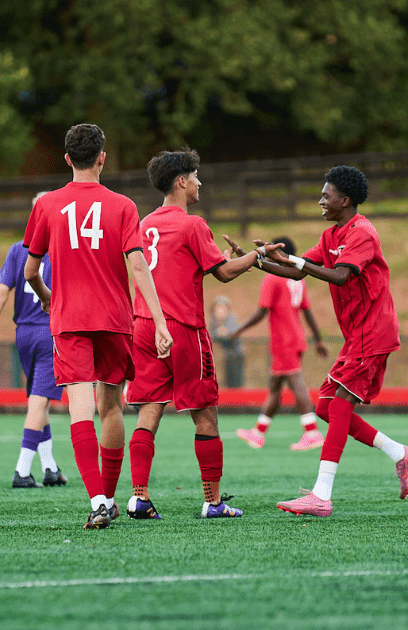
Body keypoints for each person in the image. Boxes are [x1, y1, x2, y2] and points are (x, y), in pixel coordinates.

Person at [243, 166, 408, 518]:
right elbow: (297, 271)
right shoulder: (331, 236)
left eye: (326, 196)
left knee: (339, 405)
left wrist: (294, 260)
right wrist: (259, 260)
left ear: (345, 200)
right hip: (357, 335)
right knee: (326, 408)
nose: (321, 201)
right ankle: (402, 453)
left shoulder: (363, 233)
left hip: (374, 332)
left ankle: (321, 495)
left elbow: (340, 276)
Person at [22, 123, 173, 530]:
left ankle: (98, 502)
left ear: (67, 159)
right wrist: (159, 321)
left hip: (70, 319)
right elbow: (137, 264)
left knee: (80, 409)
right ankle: (109, 495)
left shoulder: (47, 205)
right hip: (114, 319)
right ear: (102, 158)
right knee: (111, 407)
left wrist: (46, 295)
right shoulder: (123, 205)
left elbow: (31, 269)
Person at [125, 147, 276, 520]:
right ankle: (213, 502)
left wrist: (233, 260)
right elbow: (222, 272)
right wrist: (258, 256)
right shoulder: (192, 224)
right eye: (195, 177)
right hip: (183, 328)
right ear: (181, 181)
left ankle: (139, 498)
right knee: (205, 413)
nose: (199, 183)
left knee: (149, 410)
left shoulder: (144, 223)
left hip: (144, 325)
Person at [0, 231, 68, 489]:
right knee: (39, 401)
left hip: (24, 334)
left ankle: (50, 467)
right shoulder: (62, 249)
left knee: (40, 399)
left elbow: (1, 292)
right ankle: (22, 469)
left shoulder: (18, 248)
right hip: (49, 332)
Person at [232, 237, 329, 451]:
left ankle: (312, 432)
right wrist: (318, 340)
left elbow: (261, 311)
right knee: (275, 388)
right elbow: (307, 311)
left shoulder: (273, 278)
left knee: (296, 382)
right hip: (296, 338)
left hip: (284, 340)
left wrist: (238, 330)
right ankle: (258, 433)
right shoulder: (298, 278)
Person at [207, 296, 245, 388]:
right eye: (218, 308)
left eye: (222, 308)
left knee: (236, 383)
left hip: (236, 355)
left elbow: (233, 334)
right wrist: (219, 333)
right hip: (225, 356)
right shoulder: (213, 320)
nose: (220, 310)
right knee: (227, 382)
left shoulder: (231, 319)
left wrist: (225, 333)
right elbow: (211, 335)